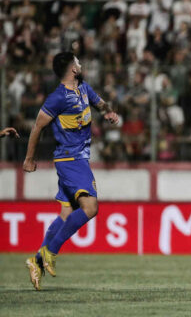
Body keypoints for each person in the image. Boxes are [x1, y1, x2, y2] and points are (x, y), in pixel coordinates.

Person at [22, 52, 119, 291]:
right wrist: (29, 158)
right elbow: (37, 127)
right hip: (70, 160)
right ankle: (49, 252)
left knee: (66, 214)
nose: (81, 64)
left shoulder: (84, 88)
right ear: (72, 69)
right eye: (78, 61)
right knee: (91, 208)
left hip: (77, 159)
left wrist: (106, 111)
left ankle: (35, 262)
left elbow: (100, 103)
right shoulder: (57, 98)